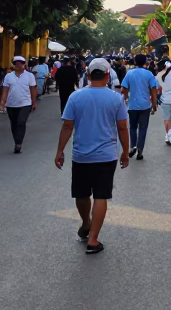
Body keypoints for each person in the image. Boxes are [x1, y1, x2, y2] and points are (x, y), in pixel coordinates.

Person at [54, 57, 129, 254]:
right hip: (106, 155)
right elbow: (122, 127)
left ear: (87, 75)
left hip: (81, 155)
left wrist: (60, 150)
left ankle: (86, 222)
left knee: (81, 193)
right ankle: (93, 239)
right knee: (101, 195)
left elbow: (68, 125)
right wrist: (126, 153)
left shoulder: (75, 97)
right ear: (107, 76)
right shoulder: (115, 98)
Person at [120, 53, 159, 160]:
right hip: (145, 105)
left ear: (135, 62)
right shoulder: (149, 74)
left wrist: (127, 97)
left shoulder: (129, 73)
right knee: (143, 128)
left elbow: (123, 89)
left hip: (132, 105)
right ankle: (140, 151)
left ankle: (133, 146)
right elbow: (154, 91)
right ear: (146, 62)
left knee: (132, 127)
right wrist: (154, 105)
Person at [0, 55, 39, 152]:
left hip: (25, 103)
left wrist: (34, 102)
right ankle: (16, 141)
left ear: (24, 64)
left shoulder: (30, 76)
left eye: (20, 63)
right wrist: (2, 101)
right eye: (16, 63)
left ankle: (18, 143)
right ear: (13, 65)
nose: (18, 65)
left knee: (21, 122)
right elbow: (5, 90)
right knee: (14, 124)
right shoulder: (8, 76)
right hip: (11, 104)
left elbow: (33, 89)